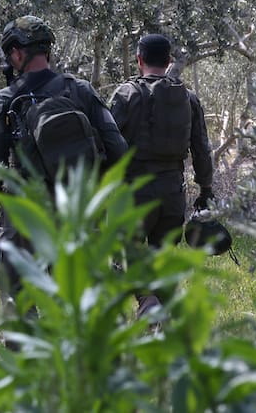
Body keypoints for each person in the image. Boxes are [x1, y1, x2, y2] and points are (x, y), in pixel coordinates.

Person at [0, 15, 128, 309]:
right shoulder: (81, 90)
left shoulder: (5, 100)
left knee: (19, 309)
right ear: (47, 51)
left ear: (17, 54)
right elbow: (119, 152)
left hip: (24, 221)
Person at [109, 33, 215, 314]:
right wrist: (206, 189)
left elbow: (106, 143)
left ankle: (147, 305)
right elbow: (201, 148)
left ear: (138, 59)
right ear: (169, 61)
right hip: (172, 194)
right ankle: (160, 326)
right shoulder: (187, 97)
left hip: (133, 193)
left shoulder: (126, 94)